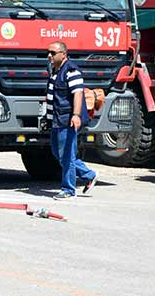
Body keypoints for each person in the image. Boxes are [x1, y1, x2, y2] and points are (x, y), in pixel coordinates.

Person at [45, 41, 98, 200]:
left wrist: (75, 115)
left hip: (67, 120)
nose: (49, 56)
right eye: (48, 52)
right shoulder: (55, 71)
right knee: (58, 153)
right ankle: (88, 175)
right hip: (56, 120)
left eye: (53, 53)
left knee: (66, 155)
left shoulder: (71, 71)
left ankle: (68, 190)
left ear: (63, 54)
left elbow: (78, 94)